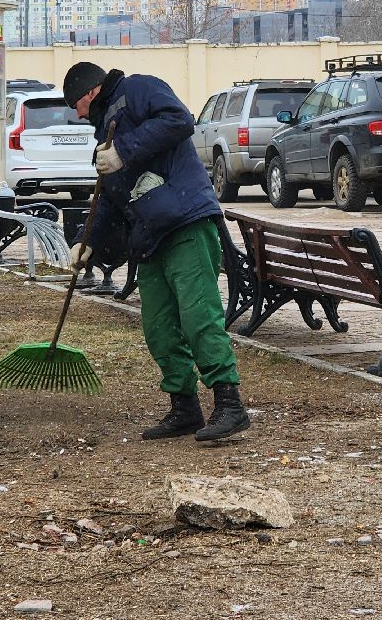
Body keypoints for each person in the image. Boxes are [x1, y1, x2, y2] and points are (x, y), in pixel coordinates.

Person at [62, 60, 250, 442]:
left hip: (185, 222)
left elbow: (180, 120)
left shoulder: (141, 89)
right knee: (159, 328)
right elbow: (110, 202)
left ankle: (230, 403)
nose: (76, 114)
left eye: (76, 105)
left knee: (199, 318)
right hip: (148, 237)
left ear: (91, 92)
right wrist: (87, 242)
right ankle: (185, 408)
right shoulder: (103, 139)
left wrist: (125, 151)